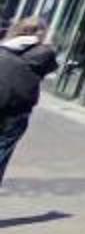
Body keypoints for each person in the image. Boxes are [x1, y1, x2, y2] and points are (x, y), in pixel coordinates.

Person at [0, 33, 58, 187]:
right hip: (19, 111)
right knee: (3, 150)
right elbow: (52, 67)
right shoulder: (42, 56)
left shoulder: (5, 51)